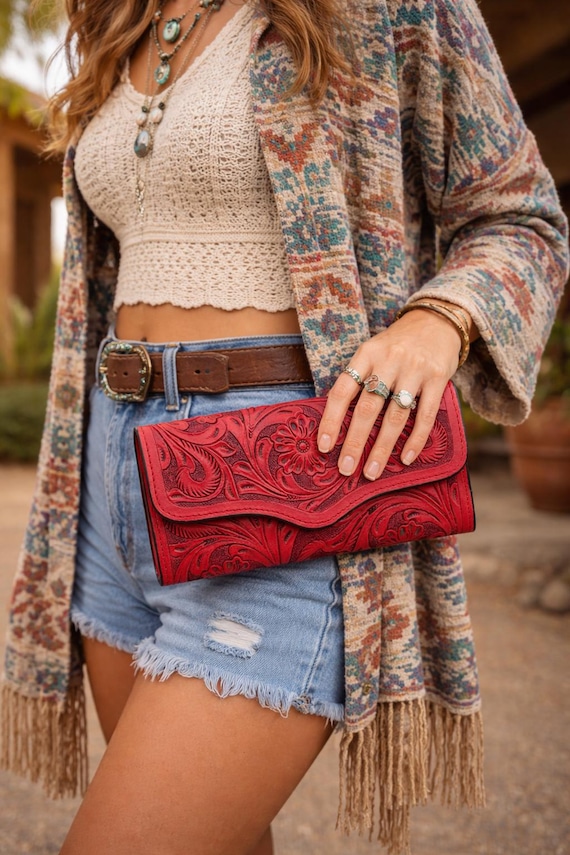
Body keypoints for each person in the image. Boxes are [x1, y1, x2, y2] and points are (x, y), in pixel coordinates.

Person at [1, 0, 568, 853]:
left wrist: (440, 320)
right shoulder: (128, 17)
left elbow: (521, 215)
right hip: (111, 482)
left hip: (289, 482)